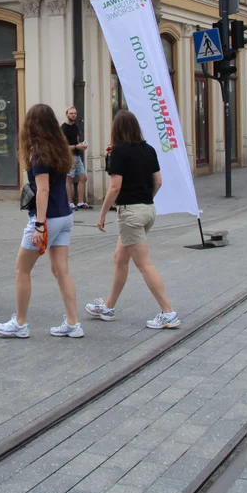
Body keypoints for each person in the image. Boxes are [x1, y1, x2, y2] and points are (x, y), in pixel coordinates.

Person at [0, 104, 83, 339]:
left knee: (22, 269)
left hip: (48, 218)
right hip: (65, 216)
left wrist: (39, 225)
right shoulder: (59, 149)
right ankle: (73, 323)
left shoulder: (38, 153)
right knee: (61, 270)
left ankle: (20, 323)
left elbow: (42, 191)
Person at [87, 110, 180, 329]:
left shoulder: (119, 151)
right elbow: (158, 181)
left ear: (116, 129)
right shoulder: (149, 149)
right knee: (120, 258)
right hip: (148, 210)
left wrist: (102, 214)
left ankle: (168, 312)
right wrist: (146, 199)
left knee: (144, 264)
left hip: (130, 214)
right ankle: (108, 306)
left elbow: (115, 186)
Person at [61, 106, 90, 209]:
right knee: (69, 179)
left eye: (75, 113)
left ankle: (80, 202)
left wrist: (81, 146)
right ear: (67, 114)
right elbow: (63, 147)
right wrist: (76, 146)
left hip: (77, 156)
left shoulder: (75, 127)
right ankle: (69, 202)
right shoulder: (63, 128)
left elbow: (77, 141)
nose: (73, 115)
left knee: (83, 177)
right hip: (69, 156)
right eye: (71, 113)